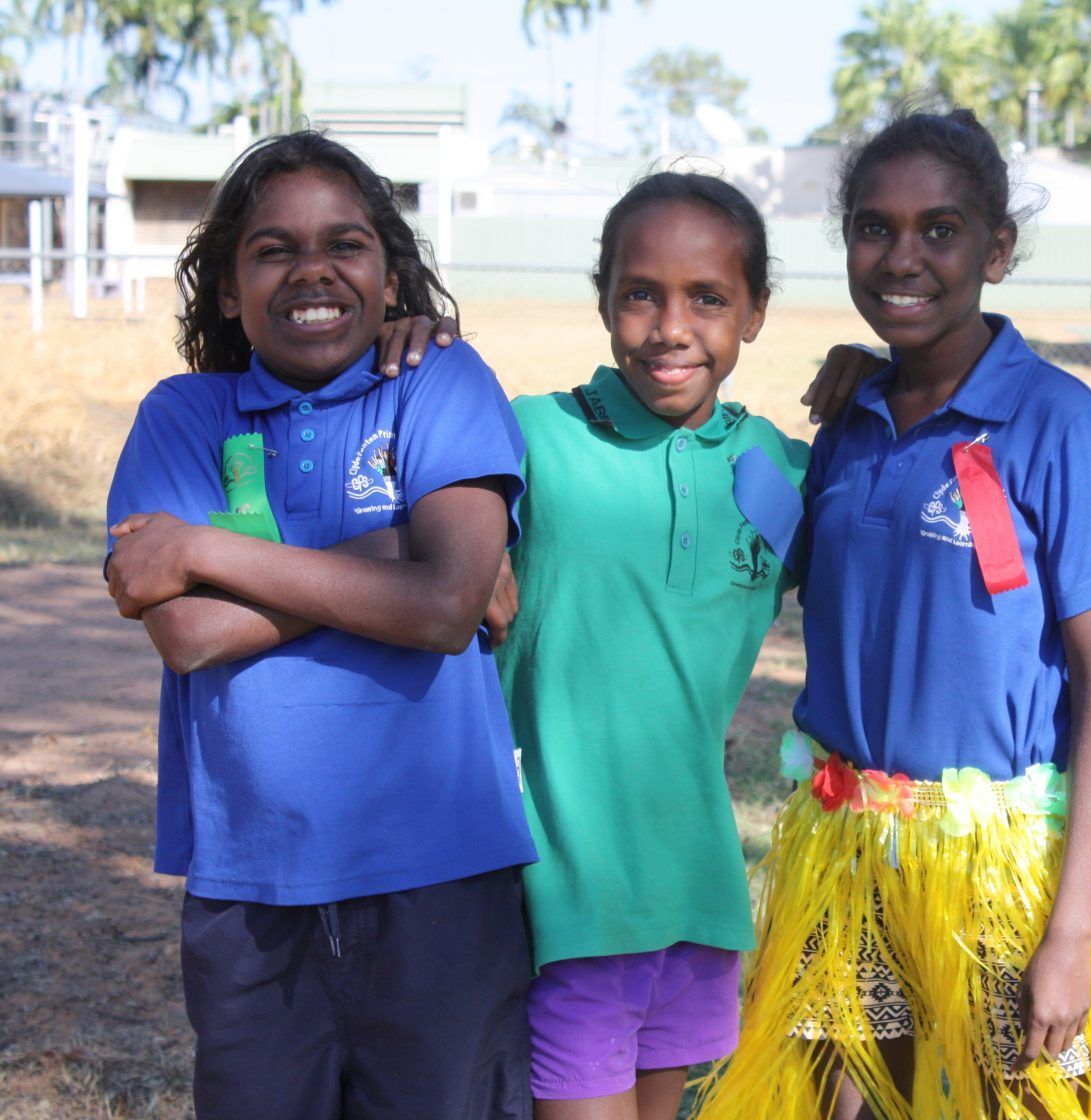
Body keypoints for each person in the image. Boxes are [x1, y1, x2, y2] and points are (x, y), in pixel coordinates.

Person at [693, 110, 1091, 1120]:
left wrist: (1081, 942)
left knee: (1032, 1097)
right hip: (849, 858)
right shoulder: (850, 421)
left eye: (941, 230)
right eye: (875, 228)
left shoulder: (1055, 421)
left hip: (1004, 877)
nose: (902, 257)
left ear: (997, 250)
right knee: (843, 1099)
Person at [103, 130, 535, 1120]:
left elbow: (443, 608)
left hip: (441, 874)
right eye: (271, 249)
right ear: (225, 288)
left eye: (345, 244)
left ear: (391, 279)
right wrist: (406, 550)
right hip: (251, 876)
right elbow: (192, 636)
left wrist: (204, 549)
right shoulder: (181, 415)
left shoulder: (439, 384)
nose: (312, 271)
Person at [493, 172, 809, 1120]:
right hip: (565, 898)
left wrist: (865, 372)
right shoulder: (528, 439)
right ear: (603, 300)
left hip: (695, 893)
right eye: (642, 293)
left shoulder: (782, 469)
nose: (671, 327)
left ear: (753, 312)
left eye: (709, 298)